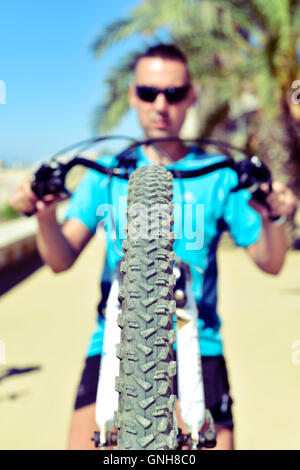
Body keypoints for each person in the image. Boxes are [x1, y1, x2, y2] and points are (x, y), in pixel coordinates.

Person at [10, 43, 297, 450]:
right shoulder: (106, 173)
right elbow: (60, 260)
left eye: (174, 93)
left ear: (191, 96)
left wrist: (271, 215)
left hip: (200, 342)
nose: (161, 105)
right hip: (113, 342)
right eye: (148, 92)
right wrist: (43, 214)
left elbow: (270, 263)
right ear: (133, 95)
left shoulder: (218, 176)